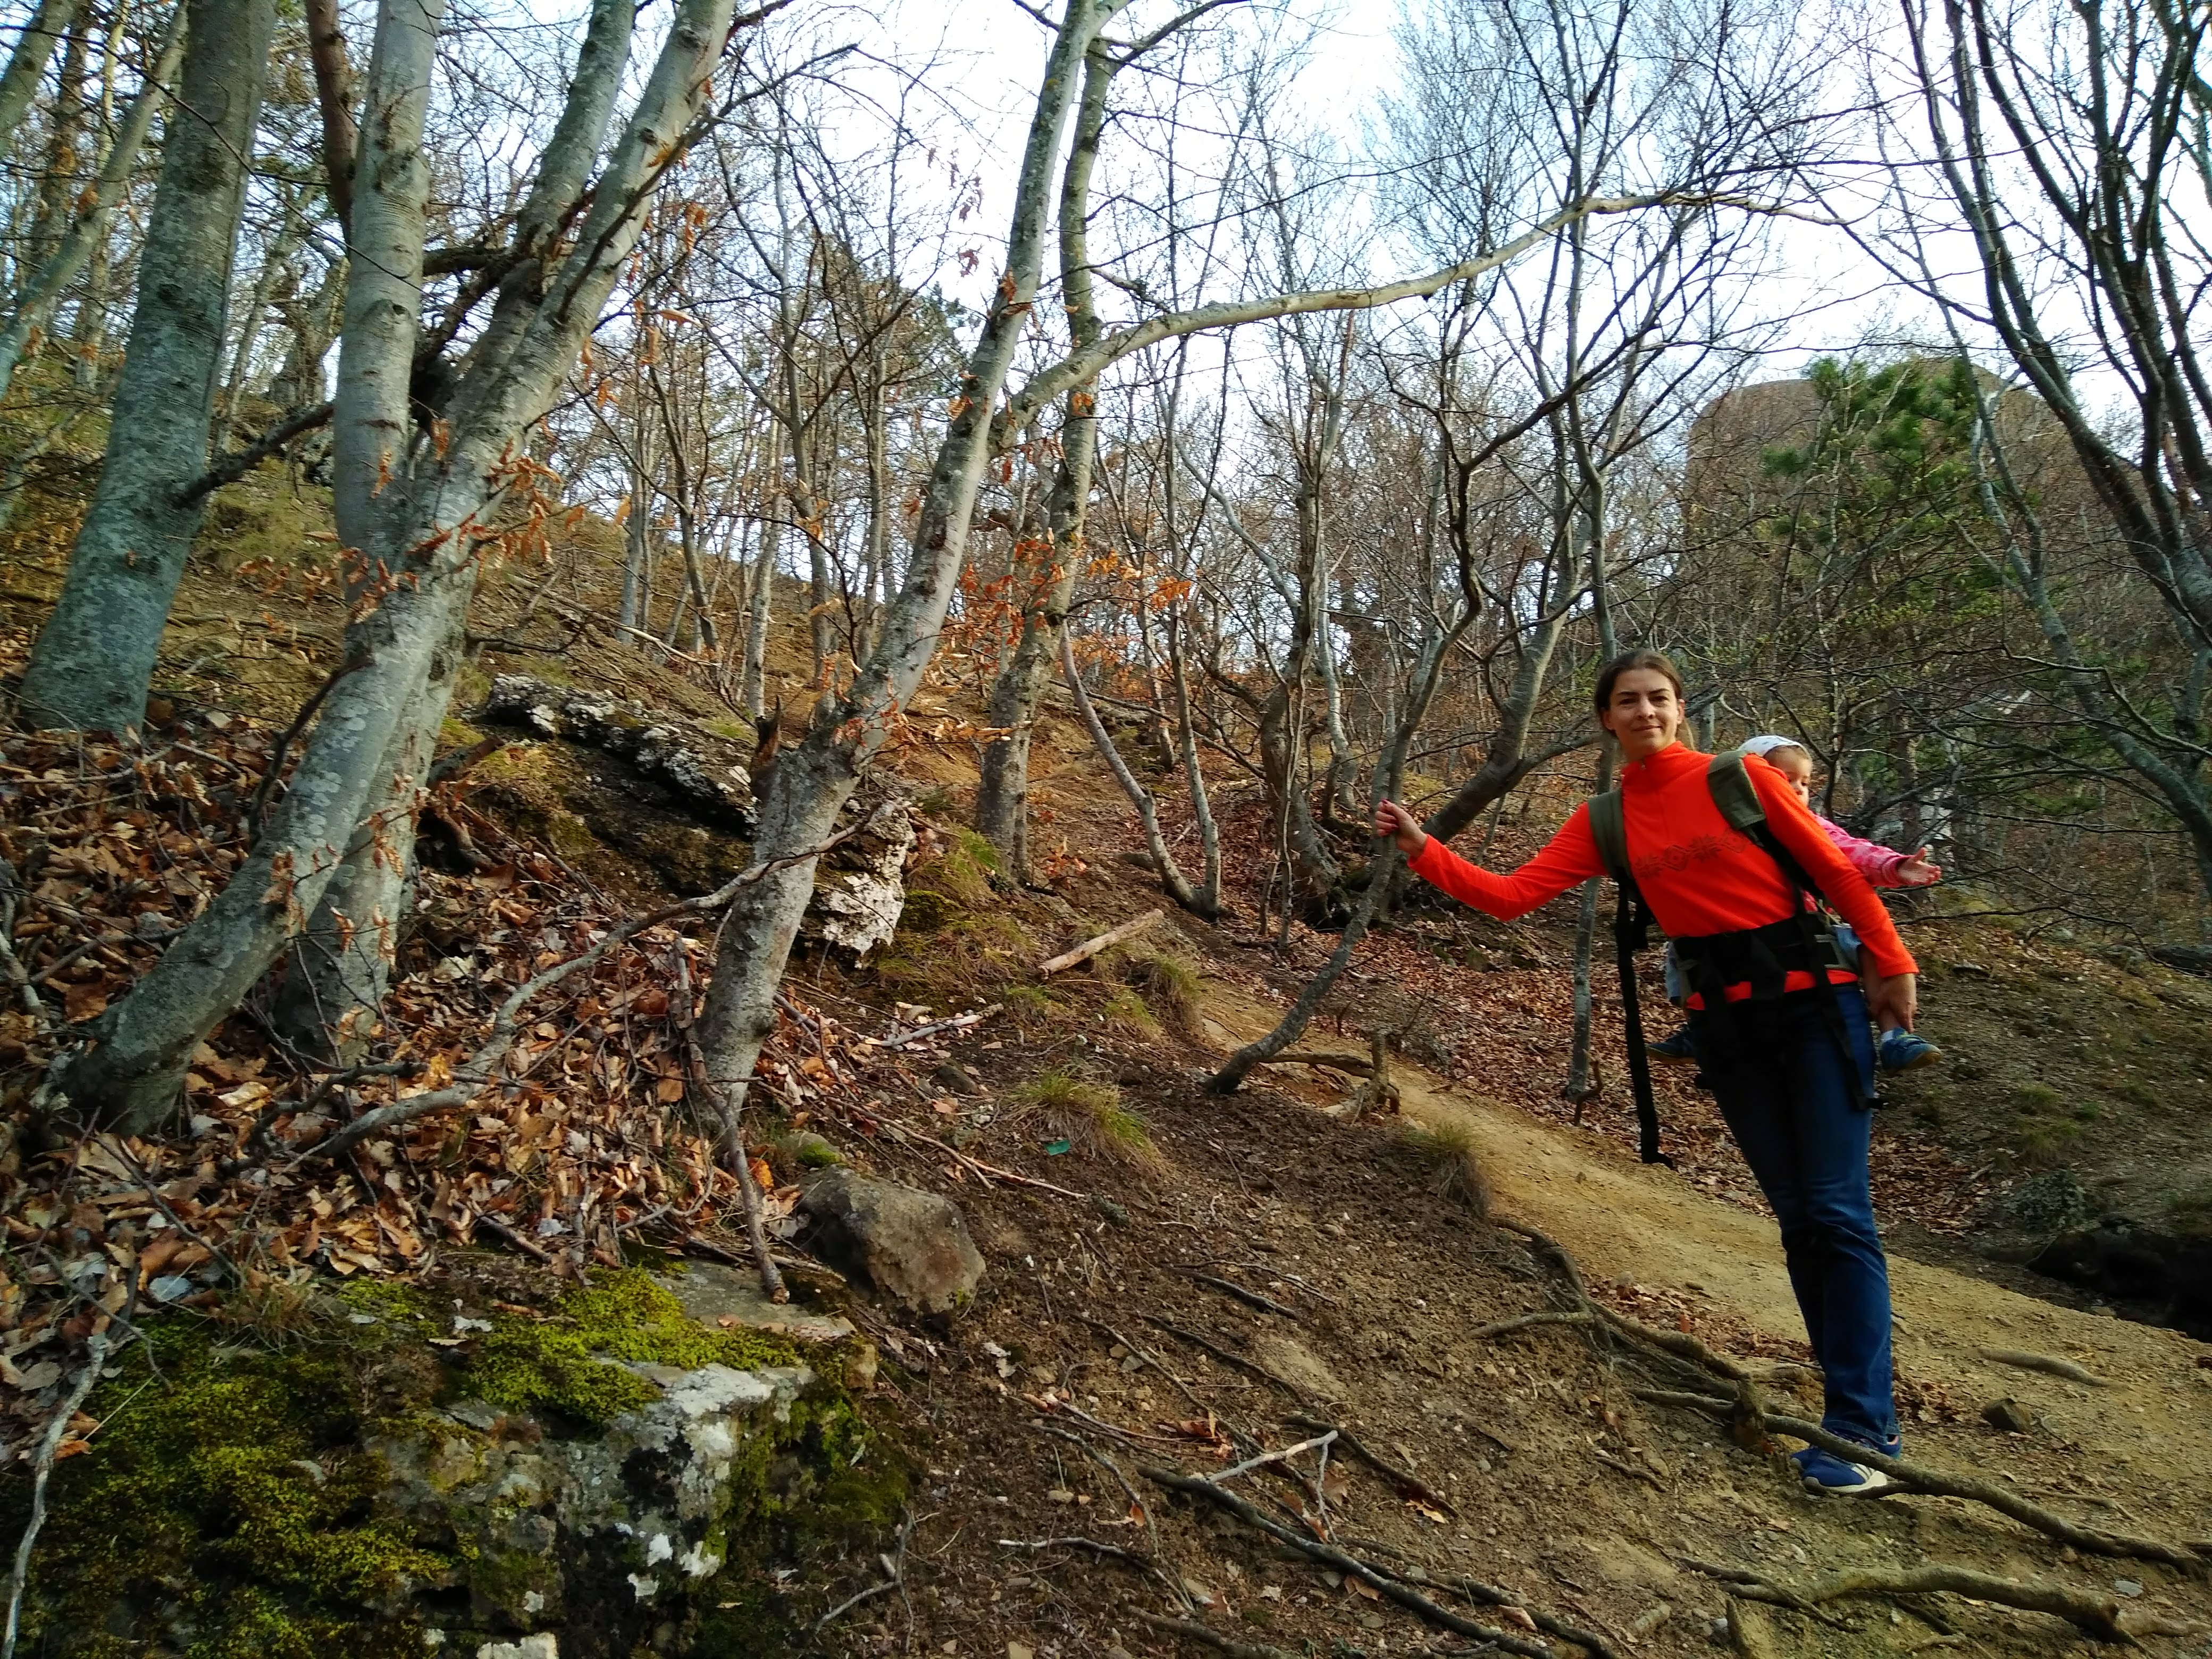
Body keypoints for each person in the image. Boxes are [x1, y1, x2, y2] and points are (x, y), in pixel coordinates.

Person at [1375, 649, 1917, 1496]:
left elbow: (1834, 871)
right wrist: (1424, 851)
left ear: (1680, 706)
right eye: (1627, 701)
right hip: (1724, 1025)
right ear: (1606, 718)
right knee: (1800, 1220)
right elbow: (1514, 896)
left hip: (1819, 1009)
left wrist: (1891, 960)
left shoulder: (1743, 779)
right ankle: (1845, 1415)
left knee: (1838, 1213)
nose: (1645, 712)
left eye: (1659, 698)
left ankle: (1859, 1430)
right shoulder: (1606, 820)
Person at [1650, 733, 1941, 1073]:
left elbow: (1853, 852)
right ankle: (1699, 1029)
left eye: (1803, 781)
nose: (1799, 789)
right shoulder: (1720, 832)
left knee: (1868, 946)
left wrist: (1895, 866)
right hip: (1736, 929)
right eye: (1784, 779)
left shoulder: (1813, 827)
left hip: (1809, 929)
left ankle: (1894, 1035)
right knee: (1685, 954)